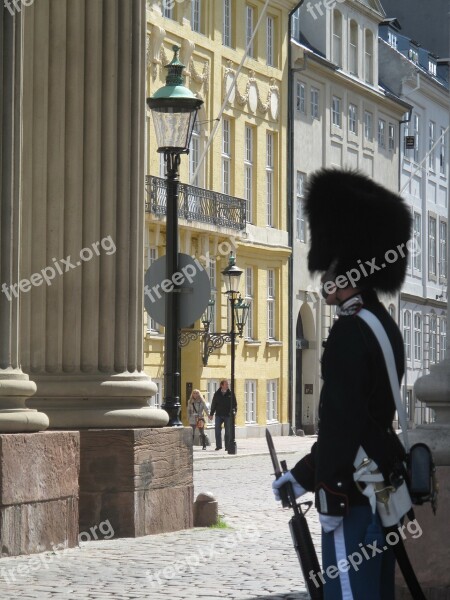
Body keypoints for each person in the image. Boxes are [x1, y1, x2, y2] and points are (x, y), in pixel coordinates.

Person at [272, 168, 412, 600]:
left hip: (351, 491)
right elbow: (366, 418)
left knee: (348, 592)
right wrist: (303, 473)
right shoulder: (384, 325)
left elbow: (340, 419)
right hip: (381, 483)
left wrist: (324, 481)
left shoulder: (351, 332)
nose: (324, 277)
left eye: (330, 267)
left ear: (347, 268)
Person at [208, 379, 237, 451]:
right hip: (219, 414)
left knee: (227, 432)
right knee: (217, 430)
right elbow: (214, 404)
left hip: (228, 415)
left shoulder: (231, 394)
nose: (227, 385)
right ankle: (219, 446)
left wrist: (234, 412)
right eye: (226, 384)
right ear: (222, 385)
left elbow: (234, 404)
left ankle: (227, 446)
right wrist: (211, 414)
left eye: (227, 384)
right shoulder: (217, 394)